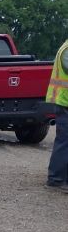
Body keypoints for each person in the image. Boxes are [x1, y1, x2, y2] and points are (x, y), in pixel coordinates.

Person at [45, 38, 68, 192]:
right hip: (65, 102)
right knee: (64, 142)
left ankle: (58, 178)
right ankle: (56, 179)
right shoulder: (67, 50)